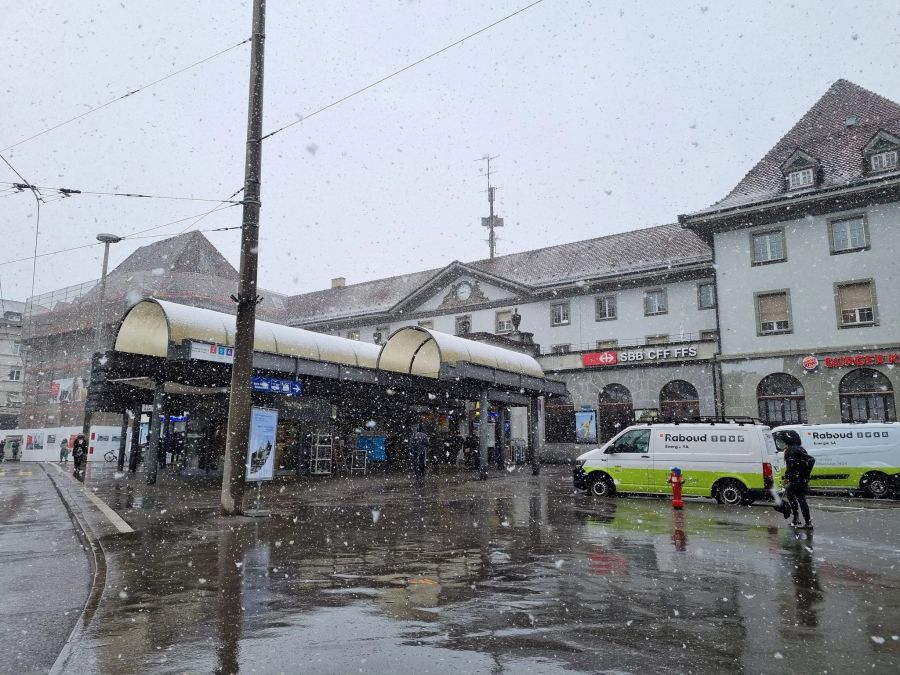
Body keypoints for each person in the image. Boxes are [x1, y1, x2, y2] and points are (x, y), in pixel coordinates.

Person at [778, 429, 816, 530]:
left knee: (800, 499)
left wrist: (798, 475)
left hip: (797, 480)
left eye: (784, 440)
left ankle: (806, 523)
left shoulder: (793, 450)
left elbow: (809, 460)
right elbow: (795, 465)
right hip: (798, 479)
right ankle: (797, 519)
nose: (783, 443)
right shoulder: (797, 448)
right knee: (793, 497)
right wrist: (804, 474)